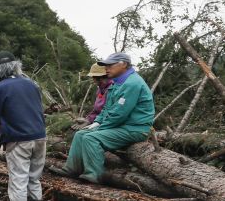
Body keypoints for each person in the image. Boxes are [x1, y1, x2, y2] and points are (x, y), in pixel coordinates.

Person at [56, 53, 155, 183]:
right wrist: (95, 122)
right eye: (106, 66)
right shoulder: (116, 83)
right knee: (80, 134)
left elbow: (119, 114)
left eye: (110, 65)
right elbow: (107, 109)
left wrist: (98, 128)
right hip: (121, 126)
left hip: (135, 129)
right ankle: (71, 169)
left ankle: (94, 174)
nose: (107, 68)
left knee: (91, 137)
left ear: (123, 64)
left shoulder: (132, 83)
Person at [0, 51, 47, 201]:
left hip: (18, 138)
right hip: (40, 136)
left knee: (18, 181)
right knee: (34, 179)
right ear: (16, 66)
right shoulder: (32, 84)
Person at [72, 63, 113, 130]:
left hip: (107, 123)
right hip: (98, 120)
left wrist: (94, 122)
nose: (93, 80)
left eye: (93, 77)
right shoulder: (100, 89)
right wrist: (88, 119)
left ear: (100, 77)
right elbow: (96, 111)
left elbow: (108, 112)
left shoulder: (113, 88)